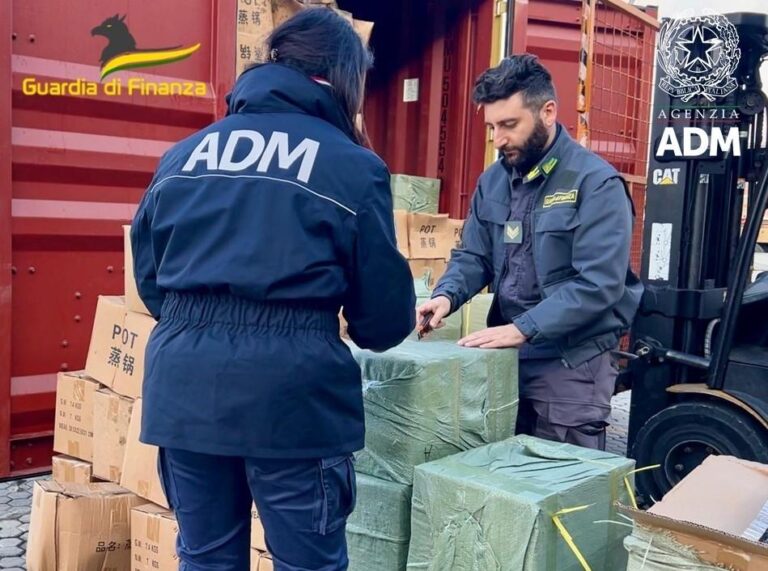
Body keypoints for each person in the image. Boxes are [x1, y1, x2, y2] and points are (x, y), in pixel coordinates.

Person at [130, 9, 416, 571]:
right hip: (292, 396)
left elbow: (150, 281)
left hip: (185, 388)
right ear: (342, 78)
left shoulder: (182, 157)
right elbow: (383, 321)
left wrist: (206, 323)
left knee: (206, 560)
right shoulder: (352, 168)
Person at [416, 54, 643, 451]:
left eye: (509, 125)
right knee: (503, 474)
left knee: (559, 482)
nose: (499, 139)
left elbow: (599, 284)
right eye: (492, 127)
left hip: (572, 360)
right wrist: (445, 295)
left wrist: (524, 328)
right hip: (508, 352)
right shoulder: (494, 181)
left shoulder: (595, 183)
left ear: (548, 112)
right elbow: (475, 255)